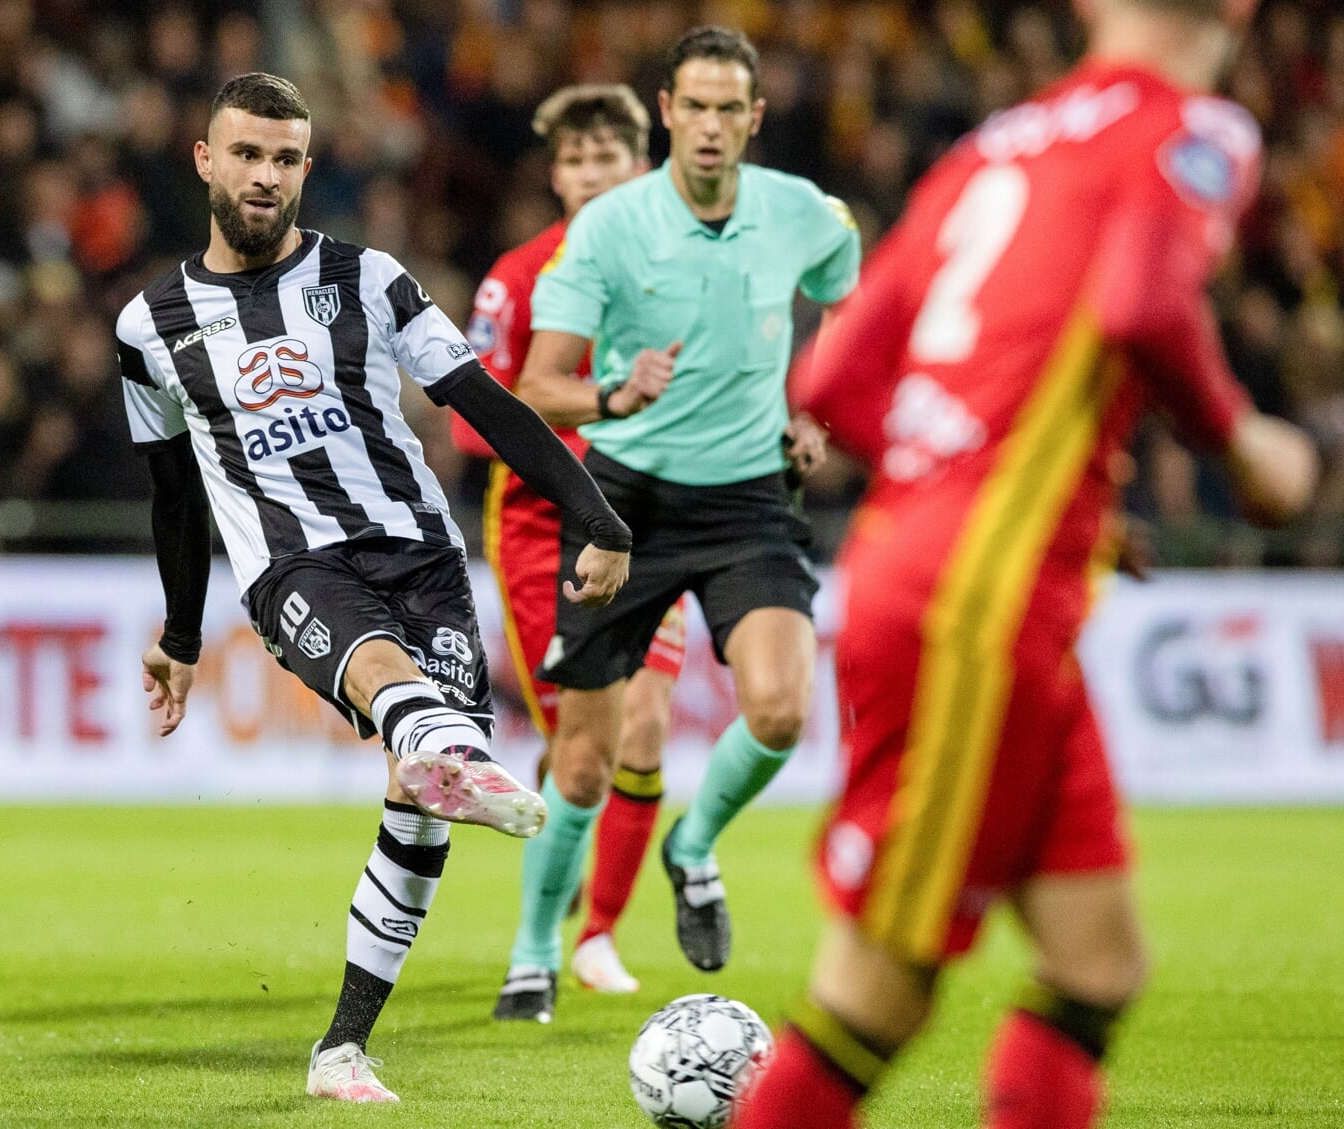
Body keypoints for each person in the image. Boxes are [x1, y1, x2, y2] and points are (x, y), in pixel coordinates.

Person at [731, 2, 1320, 1127]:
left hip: (962, 572)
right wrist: (1248, 449)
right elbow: (1145, 304)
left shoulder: (992, 146)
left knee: (1099, 964)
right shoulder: (1197, 129)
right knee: (875, 997)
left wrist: (1022, 497)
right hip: (978, 601)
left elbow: (836, 380)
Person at [117, 73, 632, 1104]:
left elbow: (484, 399)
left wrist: (596, 514)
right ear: (206, 161)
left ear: (309, 167)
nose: (265, 176)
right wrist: (181, 635)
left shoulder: (373, 279)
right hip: (292, 566)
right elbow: (175, 497)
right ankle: (446, 742)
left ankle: (341, 1050)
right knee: (413, 712)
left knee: (419, 807)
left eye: (285, 158)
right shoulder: (148, 325)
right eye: (247, 154)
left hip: (423, 555)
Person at [494, 26, 861, 1023]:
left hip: (748, 502)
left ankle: (691, 846)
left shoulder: (798, 212)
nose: (707, 126)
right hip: (626, 509)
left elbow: (844, 289)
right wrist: (614, 395)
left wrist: (814, 410)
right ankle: (534, 950)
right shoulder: (609, 229)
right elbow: (537, 386)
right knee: (584, 754)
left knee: (783, 710)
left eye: (726, 109)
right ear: (666, 112)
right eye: (691, 107)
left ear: (753, 117)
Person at [448, 84, 686, 1001]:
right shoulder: (517, 275)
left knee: (647, 725)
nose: (589, 175)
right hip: (544, 522)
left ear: (640, 166)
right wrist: (592, 422)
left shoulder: (679, 264)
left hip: (652, 517)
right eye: (574, 160)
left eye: (606, 158)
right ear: (555, 174)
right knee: (580, 748)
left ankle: (593, 936)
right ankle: (549, 913)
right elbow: (475, 416)